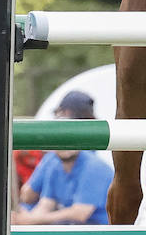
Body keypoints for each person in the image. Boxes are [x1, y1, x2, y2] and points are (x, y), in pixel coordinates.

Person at [12, 91, 113, 226]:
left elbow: (80, 213)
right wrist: (24, 220)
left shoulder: (94, 166)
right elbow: (45, 203)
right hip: (67, 233)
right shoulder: (55, 161)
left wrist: (28, 219)